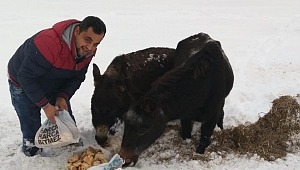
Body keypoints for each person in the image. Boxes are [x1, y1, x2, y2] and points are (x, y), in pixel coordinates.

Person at [7, 16, 106, 156]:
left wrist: (62, 96)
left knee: (67, 127)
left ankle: (69, 145)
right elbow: (25, 77)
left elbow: (77, 76)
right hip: (22, 83)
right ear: (77, 31)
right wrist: (46, 106)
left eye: (96, 44)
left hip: (53, 81)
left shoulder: (87, 51)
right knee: (31, 128)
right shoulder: (48, 43)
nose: (90, 48)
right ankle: (32, 152)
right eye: (87, 40)